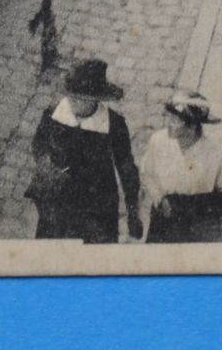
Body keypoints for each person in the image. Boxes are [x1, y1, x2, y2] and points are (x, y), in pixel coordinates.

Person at [27, 59, 142, 244]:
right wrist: (46, 164)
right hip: (59, 203)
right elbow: (39, 144)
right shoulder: (53, 115)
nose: (71, 102)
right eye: (70, 96)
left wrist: (133, 213)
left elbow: (127, 168)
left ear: (95, 100)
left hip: (97, 206)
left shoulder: (114, 124)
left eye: (79, 98)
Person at [139, 90, 222, 243]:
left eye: (176, 121)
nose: (169, 125)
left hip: (199, 226)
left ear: (193, 126)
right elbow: (147, 174)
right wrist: (159, 200)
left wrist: (204, 210)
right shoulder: (158, 141)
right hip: (164, 221)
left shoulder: (214, 152)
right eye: (169, 118)